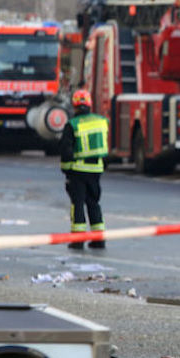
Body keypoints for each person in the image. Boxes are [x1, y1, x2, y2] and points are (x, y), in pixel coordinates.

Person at [60, 89, 110, 249]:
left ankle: (78, 240)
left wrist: (66, 171)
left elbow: (66, 151)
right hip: (96, 170)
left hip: (77, 171)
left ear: (74, 106)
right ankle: (98, 239)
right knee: (94, 203)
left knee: (78, 204)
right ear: (89, 104)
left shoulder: (72, 125)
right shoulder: (101, 121)